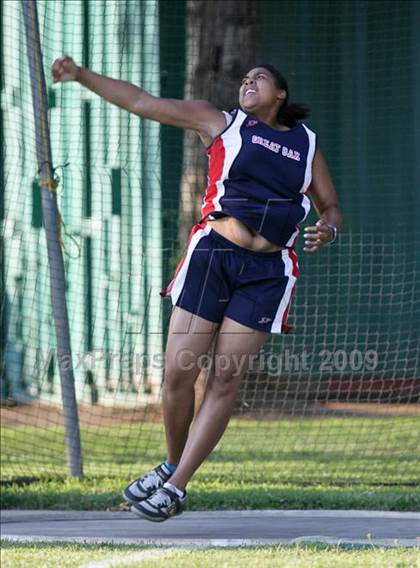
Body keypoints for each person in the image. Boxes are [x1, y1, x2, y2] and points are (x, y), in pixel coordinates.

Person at [52, 56, 342, 522]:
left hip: (268, 271)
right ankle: (171, 462)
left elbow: (329, 207)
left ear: (281, 94)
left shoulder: (305, 145)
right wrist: (81, 75)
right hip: (213, 256)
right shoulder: (220, 122)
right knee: (178, 374)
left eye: (261, 77)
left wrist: (328, 229)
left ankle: (176, 485)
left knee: (226, 378)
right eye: (245, 77)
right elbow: (143, 102)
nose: (249, 80)